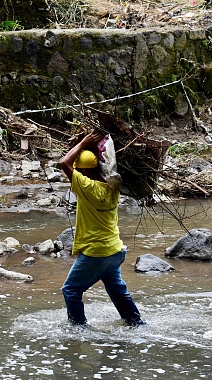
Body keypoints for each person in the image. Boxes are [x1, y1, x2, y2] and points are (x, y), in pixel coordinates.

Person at [59, 130, 145, 327]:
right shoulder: (113, 185)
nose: (77, 174)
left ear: (84, 172)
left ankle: (78, 331)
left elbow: (64, 163)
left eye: (79, 171)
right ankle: (136, 323)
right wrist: (86, 145)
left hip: (96, 253)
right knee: (117, 290)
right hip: (114, 250)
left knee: (71, 290)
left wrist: (82, 144)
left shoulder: (87, 187)